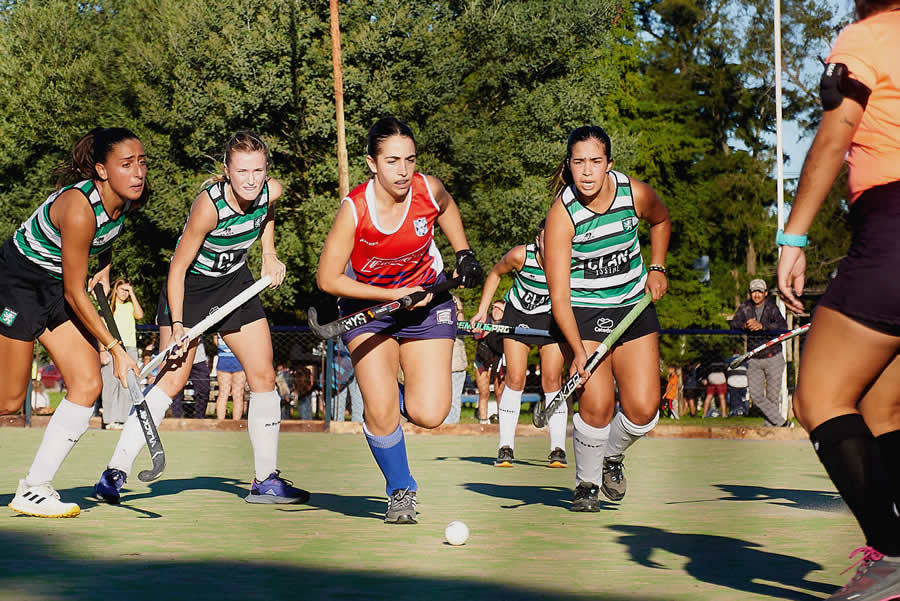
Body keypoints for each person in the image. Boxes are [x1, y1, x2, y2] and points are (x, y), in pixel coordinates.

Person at [93, 131, 308, 505]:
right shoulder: (209, 207)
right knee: (173, 380)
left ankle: (265, 480)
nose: (251, 179)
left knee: (263, 377)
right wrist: (178, 324)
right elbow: (177, 269)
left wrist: (268, 254)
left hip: (235, 284)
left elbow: (267, 214)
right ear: (226, 171)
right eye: (242, 171)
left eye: (258, 170)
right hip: (189, 290)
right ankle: (115, 471)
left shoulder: (270, 191)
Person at [776, 1, 900, 597]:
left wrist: (793, 237)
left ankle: (893, 556)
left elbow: (834, 136)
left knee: (820, 397)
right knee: (881, 412)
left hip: (893, 228)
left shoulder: (869, 35)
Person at [316, 116, 483, 524]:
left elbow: (446, 207)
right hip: (368, 311)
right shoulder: (355, 210)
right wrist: (391, 295)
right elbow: (328, 278)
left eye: (410, 160)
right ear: (372, 163)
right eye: (392, 161)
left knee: (430, 414)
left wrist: (462, 252)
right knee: (381, 409)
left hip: (427, 301)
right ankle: (401, 489)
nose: (404, 171)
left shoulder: (427, 188)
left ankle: (395, 388)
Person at [1, 128, 147, 517]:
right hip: (19, 283)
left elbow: (106, 235)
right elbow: (73, 293)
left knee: (87, 383)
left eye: (142, 162)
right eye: (127, 164)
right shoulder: (78, 207)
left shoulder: (128, 200)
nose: (138, 173)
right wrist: (115, 349)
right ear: (101, 170)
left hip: (54, 284)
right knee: (9, 401)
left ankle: (34, 488)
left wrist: (104, 267)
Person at [543, 125, 670, 511]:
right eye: (579, 162)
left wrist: (658, 267)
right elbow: (559, 297)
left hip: (632, 308)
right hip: (581, 311)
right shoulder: (562, 216)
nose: (587, 171)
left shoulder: (635, 193)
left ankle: (611, 457)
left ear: (609, 164)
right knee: (596, 404)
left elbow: (661, 220)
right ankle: (586, 483)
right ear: (569, 166)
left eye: (595, 162)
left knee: (644, 410)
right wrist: (577, 350)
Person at [471, 221, 570, 467]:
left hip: (551, 319)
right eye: (548, 242)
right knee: (515, 379)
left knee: (552, 380)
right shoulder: (520, 255)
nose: (553, 247)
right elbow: (495, 273)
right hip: (518, 316)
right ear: (538, 241)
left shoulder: (571, 260)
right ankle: (505, 447)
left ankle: (558, 449)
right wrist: (483, 311)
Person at [730, 279, 790, 426]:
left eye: (759, 291)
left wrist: (762, 326)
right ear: (750, 293)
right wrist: (744, 325)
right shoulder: (745, 307)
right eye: (753, 291)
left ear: (765, 293)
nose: (756, 295)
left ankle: (770, 428)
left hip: (774, 357)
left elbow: (783, 327)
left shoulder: (772, 308)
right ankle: (782, 423)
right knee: (756, 396)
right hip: (754, 359)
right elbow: (733, 324)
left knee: (772, 397)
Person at [99, 279, 145, 429]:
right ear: (116, 290)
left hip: (130, 349)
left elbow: (140, 315)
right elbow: (100, 329)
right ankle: (109, 420)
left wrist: (132, 293)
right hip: (111, 349)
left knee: (128, 385)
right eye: (123, 289)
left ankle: (125, 419)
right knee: (110, 384)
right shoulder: (108, 307)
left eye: (128, 290)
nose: (125, 293)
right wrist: (102, 351)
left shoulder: (131, 306)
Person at [473, 300, 506, 424]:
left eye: (499, 309)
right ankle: (483, 421)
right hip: (483, 360)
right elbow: (475, 334)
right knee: (484, 392)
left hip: (500, 361)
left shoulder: (508, 324)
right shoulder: (484, 320)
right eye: (494, 308)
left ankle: (502, 421)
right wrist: (487, 329)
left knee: (499, 393)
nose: (496, 311)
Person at [445, 295, 468, 425]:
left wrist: (459, 309)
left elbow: (462, 325)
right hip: (440, 367)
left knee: (454, 399)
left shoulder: (459, 320)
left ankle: (451, 427)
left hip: (456, 367)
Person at [213, 334, 246, 420]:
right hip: (239, 360)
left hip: (223, 360)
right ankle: (236, 423)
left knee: (223, 393)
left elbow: (215, 341)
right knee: (238, 394)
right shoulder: (241, 324)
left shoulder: (219, 325)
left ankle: (220, 422)